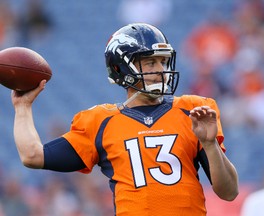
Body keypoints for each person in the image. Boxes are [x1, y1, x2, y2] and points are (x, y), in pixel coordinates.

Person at [11, 23, 239, 216]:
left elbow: (229, 192)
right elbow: (32, 155)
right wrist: (22, 108)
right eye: (151, 62)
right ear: (121, 68)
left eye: (163, 61)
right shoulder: (100, 121)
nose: (161, 69)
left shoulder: (193, 110)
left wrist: (210, 146)